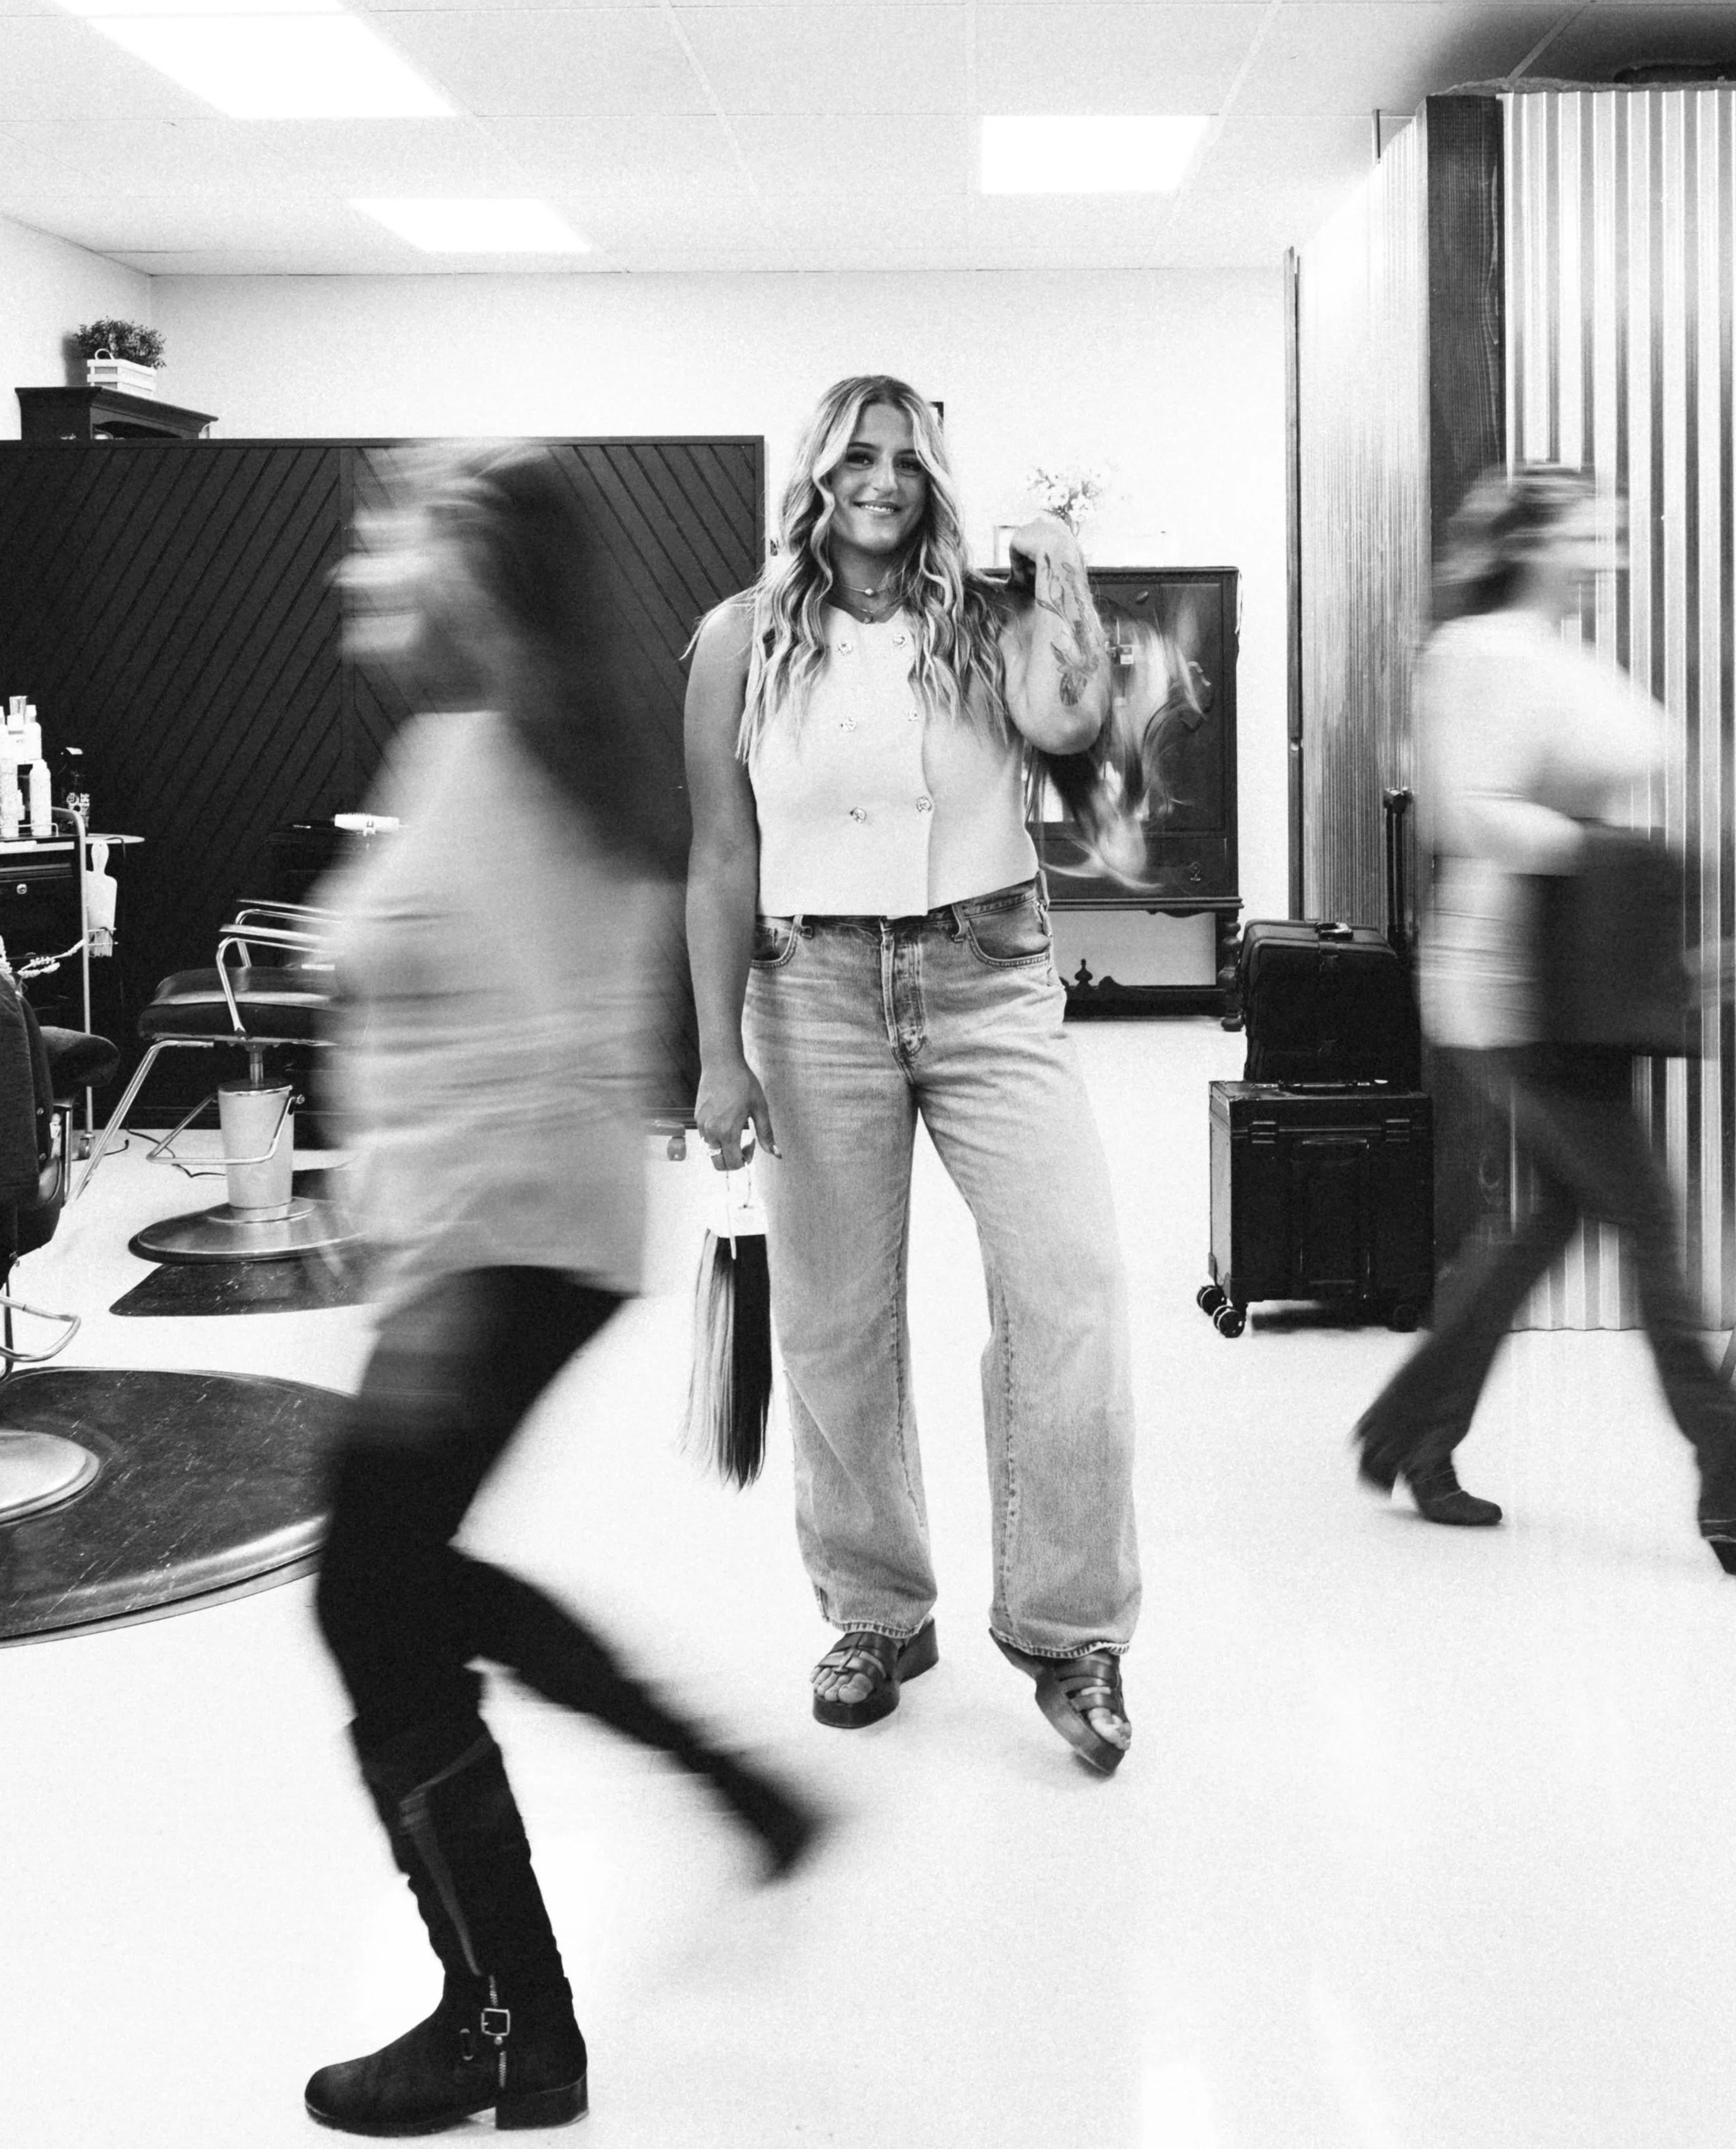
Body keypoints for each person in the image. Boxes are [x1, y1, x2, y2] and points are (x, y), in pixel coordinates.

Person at [305, 445, 822, 2140]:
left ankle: (509, 2025)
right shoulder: (508, 745)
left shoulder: (503, 760)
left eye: (416, 538)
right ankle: (724, 1786)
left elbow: (535, 1048)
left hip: (501, 1248)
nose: (377, 564)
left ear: (487, 576)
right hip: (522, 1239)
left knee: (372, 1605)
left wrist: (442, 1292)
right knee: (406, 1582)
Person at [682, 374, 1140, 1775]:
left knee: (1071, 1287)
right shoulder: (739, 639)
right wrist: (715, 1052)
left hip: (988, 974)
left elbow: (1071, 730)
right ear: (818, 473)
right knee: (833, 1322)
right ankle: (876, 1608)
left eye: (905, 458)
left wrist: (1064, 586)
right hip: (810, 986)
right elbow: (716, 852)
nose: (881, 478)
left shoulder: (988, 618)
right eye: (856, 455)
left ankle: (1072, 1636)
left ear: (934, 477)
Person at [1353, 464, 1736, 1574]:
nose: (1608, 550)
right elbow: (1468, 811)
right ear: (1530, 540)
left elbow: (1601, 793)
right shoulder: (1474, 653)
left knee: (1548, 1229)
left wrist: (1659, 935)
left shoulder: (1560, 654)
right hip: (1509, 985)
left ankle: (1410, 1430)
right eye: (1590, 530)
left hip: (1576, 985)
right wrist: (1615, 866)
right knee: (1653, 1234)